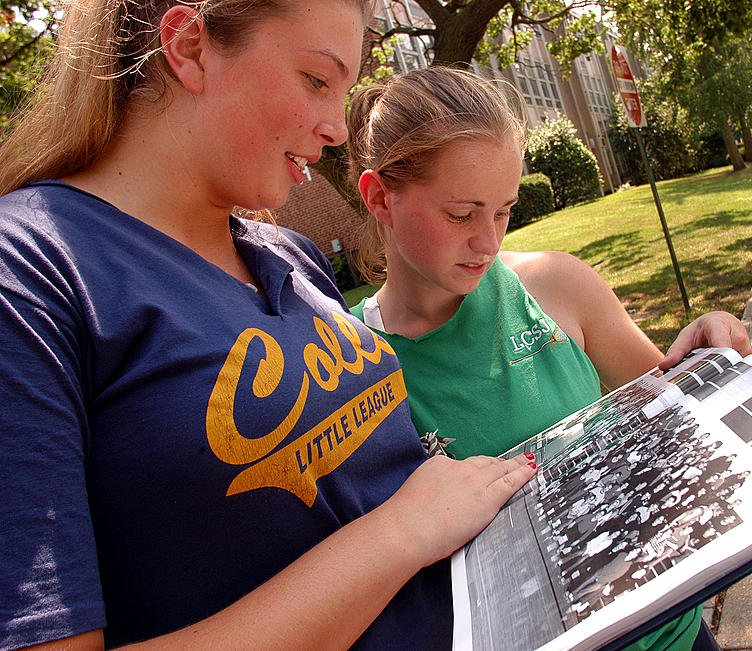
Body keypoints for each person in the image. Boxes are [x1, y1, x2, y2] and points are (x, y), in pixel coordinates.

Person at [0, 2, 537, 650]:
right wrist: (400, 533)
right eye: (317, 80)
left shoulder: (288, 254)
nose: (338, 127)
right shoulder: (31, 273)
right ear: (190, 47)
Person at [345, 67, 752, 650]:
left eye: (503, 211)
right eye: (461, 215)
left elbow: (669, 402)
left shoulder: (556, 285)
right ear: (380, 197)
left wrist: (710, 341)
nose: (488, 241)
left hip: (673, 633)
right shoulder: (352, 368)